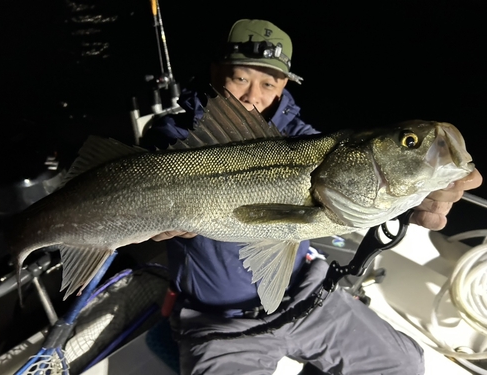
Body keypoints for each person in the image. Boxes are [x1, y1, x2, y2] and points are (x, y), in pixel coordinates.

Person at [144, 19, 483, 375]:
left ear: (285, 85)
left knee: (404, 363)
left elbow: (351, 177)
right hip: (219, 323)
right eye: (240, 78)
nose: (251, 96)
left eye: (268, 83)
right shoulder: (174, 138)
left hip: (306, 298)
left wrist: (419, 196)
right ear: (215, 72)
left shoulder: (307, 142)